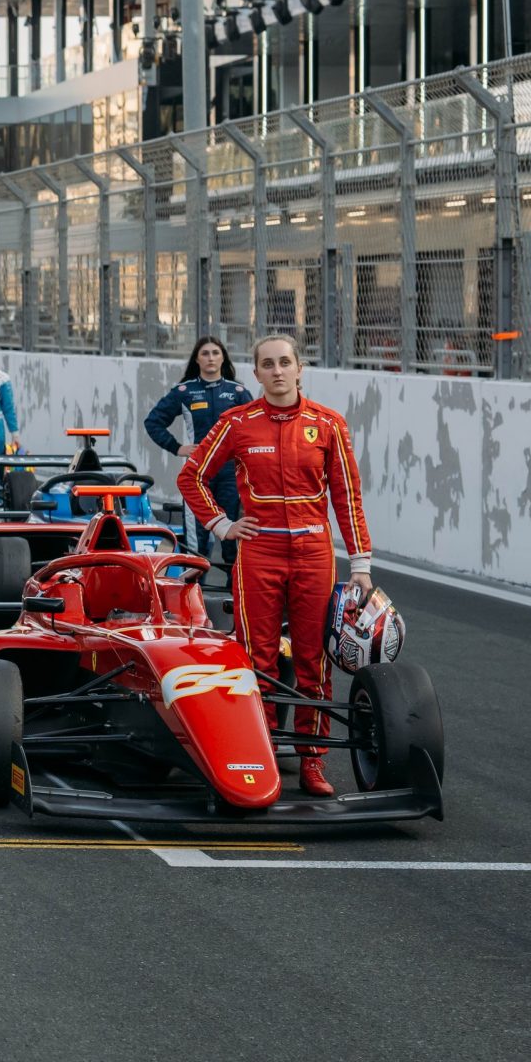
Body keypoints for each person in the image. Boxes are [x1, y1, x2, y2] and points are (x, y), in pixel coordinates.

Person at [176, 333, 372, 798]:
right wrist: (222, 526)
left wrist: (360, 563)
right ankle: (259, 753)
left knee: (312, 659)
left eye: (286, 362)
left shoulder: (328, 425)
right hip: (258, 553)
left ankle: (312, 760)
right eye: (268, 364)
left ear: (300, 369)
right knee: (256, 657)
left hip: (314, 554)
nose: (278, 371)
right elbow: (191, 476)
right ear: (257, 373)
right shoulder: (237, 421)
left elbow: (348, 498)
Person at [144, 336, 249, 564]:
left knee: (234, 535)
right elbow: (153, 422)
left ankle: (236, 594)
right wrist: (178, 447)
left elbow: (254, 430)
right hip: (198, 474)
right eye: (205, 353)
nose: (210, 358)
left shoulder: (238, 392)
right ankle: (192, 591)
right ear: (197, 359)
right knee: (196, 540)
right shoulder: (185, 391)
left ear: (223, 358)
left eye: (215, 353)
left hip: (231, 474)